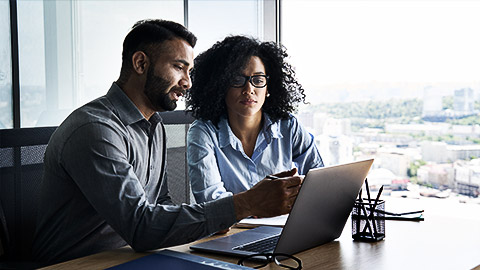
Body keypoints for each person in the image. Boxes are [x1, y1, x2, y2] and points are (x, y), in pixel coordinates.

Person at [31, 20, 302, 265]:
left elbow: (161, 203)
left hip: (135, 257)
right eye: (178, 67)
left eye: (190, 71)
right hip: (81, 264)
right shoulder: (95, 129)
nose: (187, 83)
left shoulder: (154, 125)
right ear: (140, 64)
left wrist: (215, 218)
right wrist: (243, 205)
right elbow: (141, 227)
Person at [186, 36, 324, 203]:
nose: (249, 89)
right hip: (232, 229)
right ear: (221, 86)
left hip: (284, 225)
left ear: (268, 88)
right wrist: (255, 204)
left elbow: (320, 180)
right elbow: (211, 202)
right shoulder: (203, 132)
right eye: (237, 80)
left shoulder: (288, 126)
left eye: (258, 80)